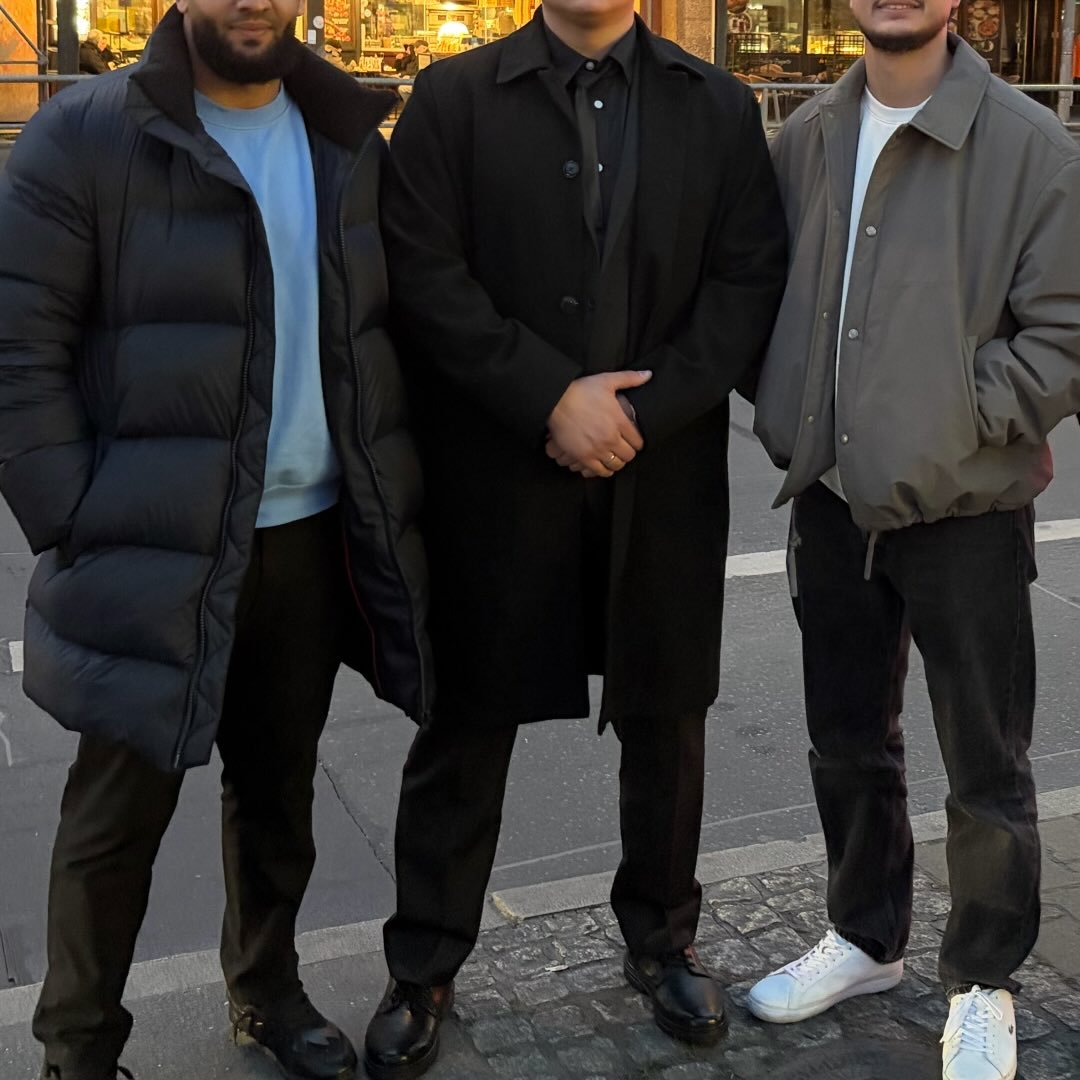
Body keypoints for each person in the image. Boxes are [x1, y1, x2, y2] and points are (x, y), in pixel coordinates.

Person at [0, 0, 432, 1075]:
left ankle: (266, 991)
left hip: (309, 535)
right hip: (151, 536)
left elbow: (386, 327)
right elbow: (17, 347)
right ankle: (77, 1050)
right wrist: (76, 514)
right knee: (116, 813)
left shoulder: (346, 140)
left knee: (279, 790)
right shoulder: (85, 134)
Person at [361, 0, 787, 1075]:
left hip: (662, 464)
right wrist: (547, 396)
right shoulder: (454, 98)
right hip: (497, 465)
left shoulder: (718, 105)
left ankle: (664, 937)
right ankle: (424, 961)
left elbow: (746, 280)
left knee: (667, 712)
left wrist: (640, 411)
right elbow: (422, 272)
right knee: (465, 720)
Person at [750, 0, 1080, 1075]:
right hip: (832, 496)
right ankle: (865, 937)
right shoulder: (807, 135)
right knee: (847, 736)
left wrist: (960, 422)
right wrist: (790, 402)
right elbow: (766, 290)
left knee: (987, 760)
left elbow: (1066, 327)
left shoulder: (1030, 145)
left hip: (968, 509)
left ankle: (983, 980)